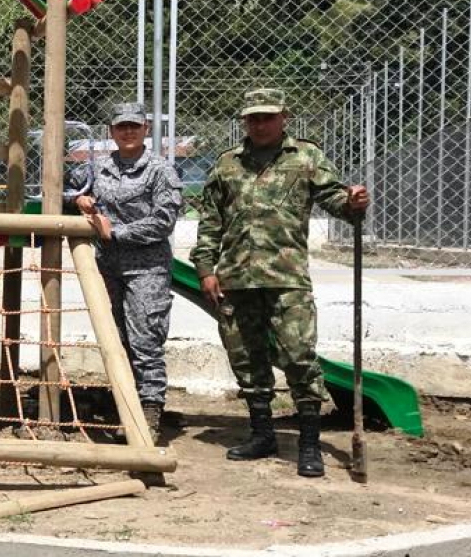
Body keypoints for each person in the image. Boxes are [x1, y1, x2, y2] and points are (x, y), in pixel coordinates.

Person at [190, 88, 369, 478]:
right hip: (236, 278)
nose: (259, 124)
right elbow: (211, 222)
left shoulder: (305, 157)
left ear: (283, 117)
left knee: (299, 356)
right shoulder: (226, 165)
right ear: (244, 122)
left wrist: (353, 203)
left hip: (287, 278)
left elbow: (334, 199)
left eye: (267, 116)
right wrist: (206, 268)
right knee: (246, 359)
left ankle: (308, 443)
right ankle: (262, 434)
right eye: (252, 118)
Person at [74, 102, 182, 437]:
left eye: (134, 126)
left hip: (147, 268)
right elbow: (71, 190)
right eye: (122, 127)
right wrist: (80, 200)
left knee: (145, 341)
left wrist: (116, 233)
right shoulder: (101, 168)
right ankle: (125, 407)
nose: (128, 132)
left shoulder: (160, 171)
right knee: (117, 339)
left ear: (146, 129)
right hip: (110, 268)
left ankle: (148, 413)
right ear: (112, 131)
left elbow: (163, 222)